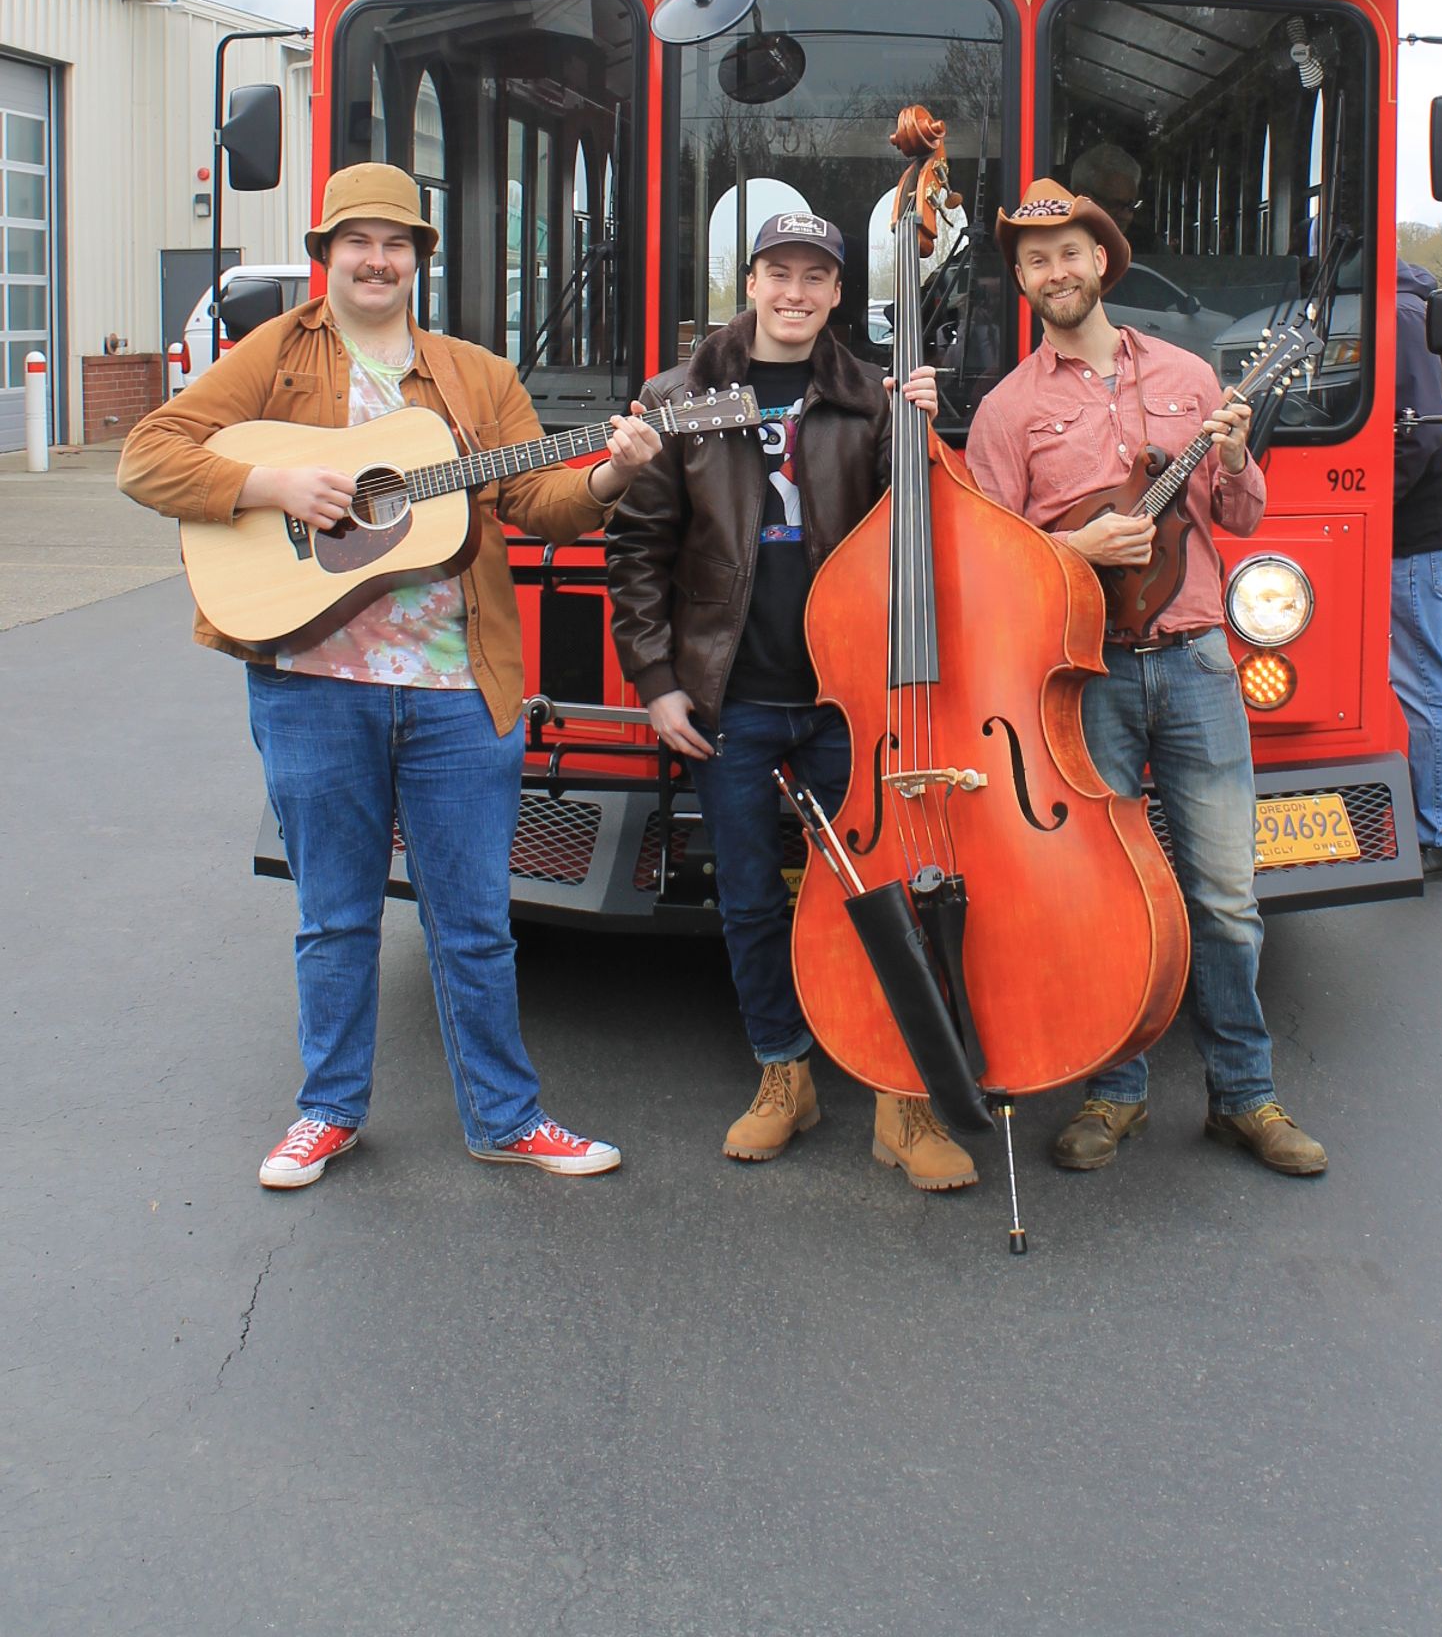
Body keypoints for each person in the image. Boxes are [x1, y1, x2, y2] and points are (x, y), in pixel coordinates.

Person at [118, 164, 660, 1189]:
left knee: (475, 926)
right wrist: (274, 481)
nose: (378, 259)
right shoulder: (275, 356)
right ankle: (326, 1113)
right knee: (335, 917)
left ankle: (508, 1117)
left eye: (397, 242)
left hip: (461, 693)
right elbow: (148, 456)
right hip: (314, 683)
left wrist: (617, 469)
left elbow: (540, 504)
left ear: (419, 260)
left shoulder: (475, 377)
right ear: (326, 254)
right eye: (358, 241)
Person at [963, 181, 1327, 1179]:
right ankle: (1115, 1093)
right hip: (1091, 680)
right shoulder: (1007, 410)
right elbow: (994, 565)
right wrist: (1075, 545)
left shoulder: (1189, 376)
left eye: (1069, 252)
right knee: (1111, 899)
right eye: (1036, 260)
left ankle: (1245, 1098)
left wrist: (1241, 456)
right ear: (1024, 282)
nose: (1056, 272)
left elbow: (1240, 518)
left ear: (1101, 261)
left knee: (1224, 897)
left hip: (1201, 661)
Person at [603, 212, 970, 1189]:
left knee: (883, 894)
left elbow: (925, 538)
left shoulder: (876, 399)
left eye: (816, 276)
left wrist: (923, 434)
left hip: (851, 699)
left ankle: (902, 1096)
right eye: (779, 273)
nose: (796, 292)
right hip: (735, 695)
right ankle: (784, 1073)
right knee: (751, 899)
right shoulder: (677, 399)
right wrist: (657, 682)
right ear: (751, 282)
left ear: (840, 294)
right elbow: (637, 554)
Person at [1392, 262, 1442, 878]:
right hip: (1410, 527)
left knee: (1423, 677)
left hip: (1413, 532)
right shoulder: (1399, 307)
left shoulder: (1396, 315)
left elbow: (1419, 434)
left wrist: (1370, 496)